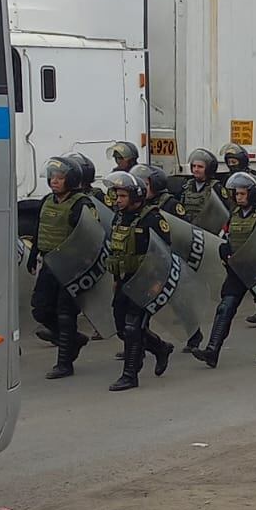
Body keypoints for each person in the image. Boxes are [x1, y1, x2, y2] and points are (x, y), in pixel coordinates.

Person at [192, 171, 256, 367]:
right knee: (225, 307)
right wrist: (225, 252)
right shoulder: (234, 216)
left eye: (242, 194)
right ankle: (212, 350)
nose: (238, 197)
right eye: (237, 194)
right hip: (238, 269)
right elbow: (225, 238)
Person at [102, 170, 177, 391]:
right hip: (125, 280)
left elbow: (164, 253)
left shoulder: (153, 219)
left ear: (135, 196)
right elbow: (117, 250)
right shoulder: (119, 217)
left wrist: (157, 283)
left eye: (123, 196)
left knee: (133, 327)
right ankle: (161, 348)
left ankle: (130, 375)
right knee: (122, 327)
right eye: (117, 195)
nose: (118, 200)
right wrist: (116, 279)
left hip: (146, 281)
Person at [30, 155, 95, 380]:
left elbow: (90, 238)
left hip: (71, 267)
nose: (54, 181)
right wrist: (33, 255)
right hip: (49, 263)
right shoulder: (47, 201)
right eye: (52, 177)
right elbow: (40, 229)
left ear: (71, 179)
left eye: (59, 177)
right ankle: (74, 339)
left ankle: (64, 363)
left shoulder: (82, 204)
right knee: (40, 309)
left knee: (66, 314)